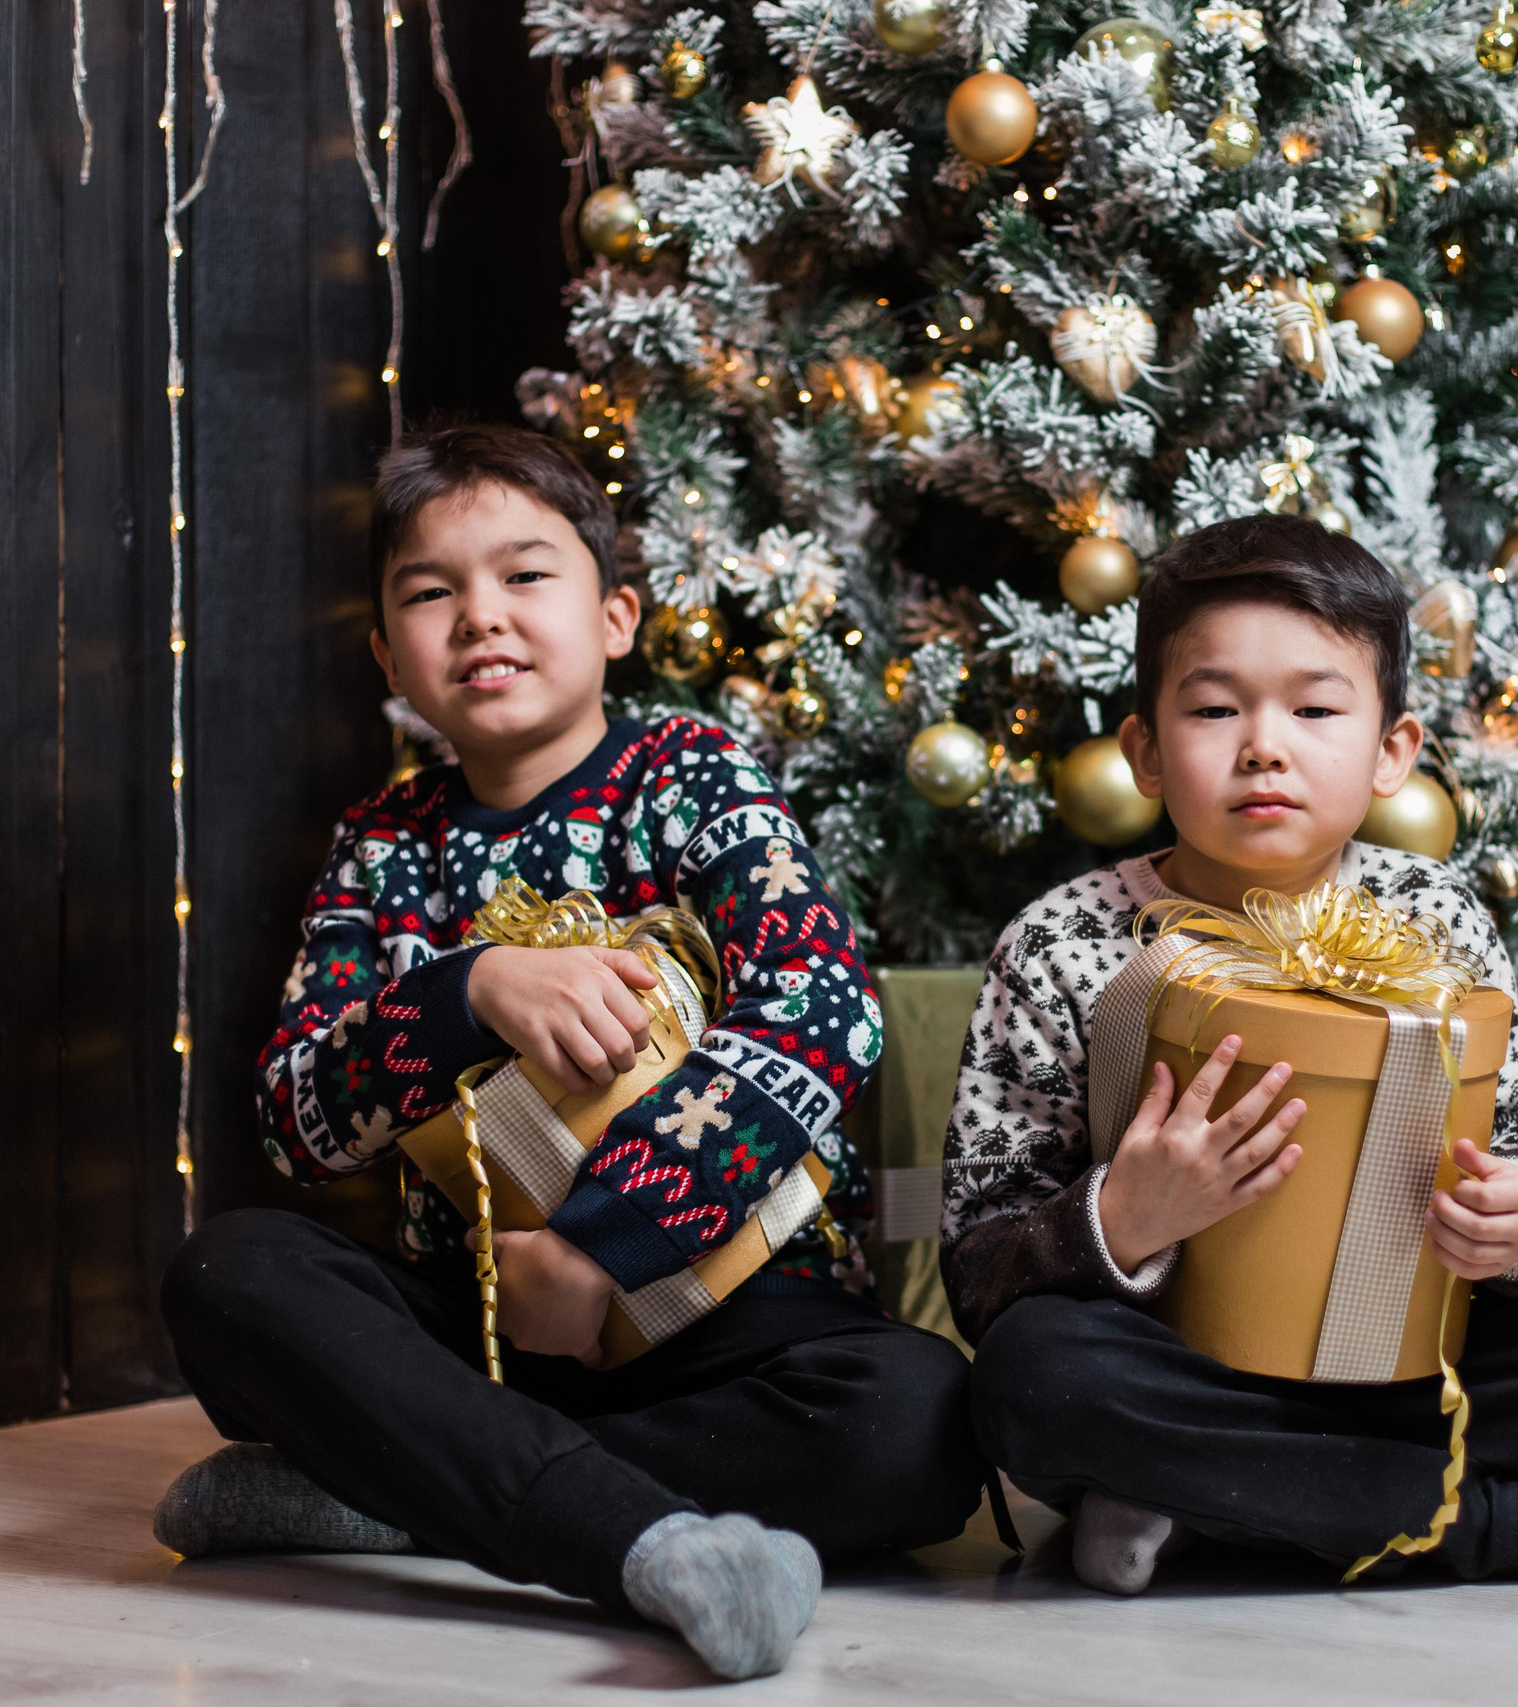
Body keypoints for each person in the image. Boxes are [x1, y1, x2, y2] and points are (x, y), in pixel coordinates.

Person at [156, 423, 982, 1680]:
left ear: (615, 619)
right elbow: (295, 1119)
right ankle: (627, 1534)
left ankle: (399, 1493)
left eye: (526, 576)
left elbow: (824, 1011)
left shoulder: (688, 775)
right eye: (432, 594)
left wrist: (604, 1246)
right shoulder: (384, 842)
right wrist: (467, 988)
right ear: (389, 655)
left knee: (915, 1423)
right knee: (230, 1271)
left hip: (734, 1314)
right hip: (481, 1332)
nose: (480, 616)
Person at [941, 513, 1518, 1600]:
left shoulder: (1435, 919)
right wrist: (1123, 1218)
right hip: (1175, 1368)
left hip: (1414, 1365)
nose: (1265, 745)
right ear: (1146, 752)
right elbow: (979, 1267)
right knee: (1033, 1380)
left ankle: (1209, 1503)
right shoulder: (1062, 944)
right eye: (1214, 709)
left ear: (1392, 752)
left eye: (1314, 709)